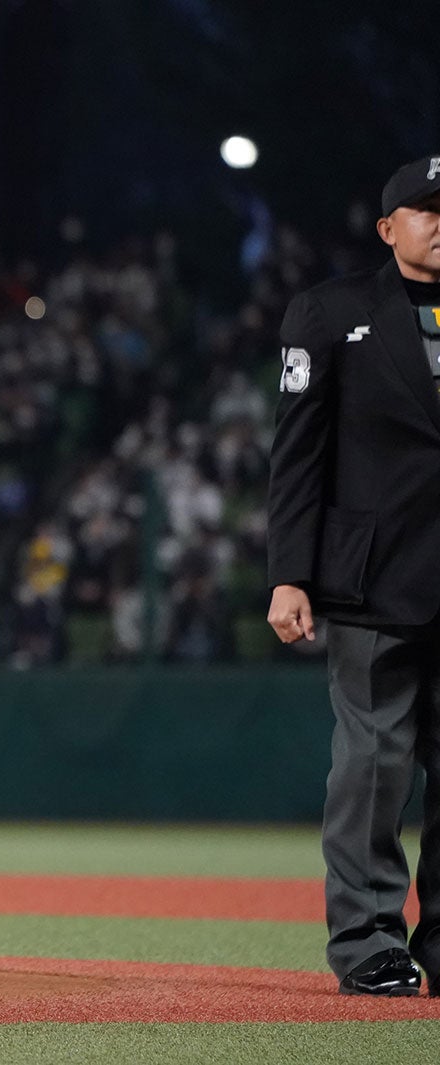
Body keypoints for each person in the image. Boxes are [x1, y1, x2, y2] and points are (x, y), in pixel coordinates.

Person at [267, 154, 440, 996]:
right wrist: (288, 575)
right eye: (425, 209)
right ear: (388, 227)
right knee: (372, 766)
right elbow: (298, 457)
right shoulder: (333, 311)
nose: (439, 223)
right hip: (372, 579)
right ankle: (370, 941)